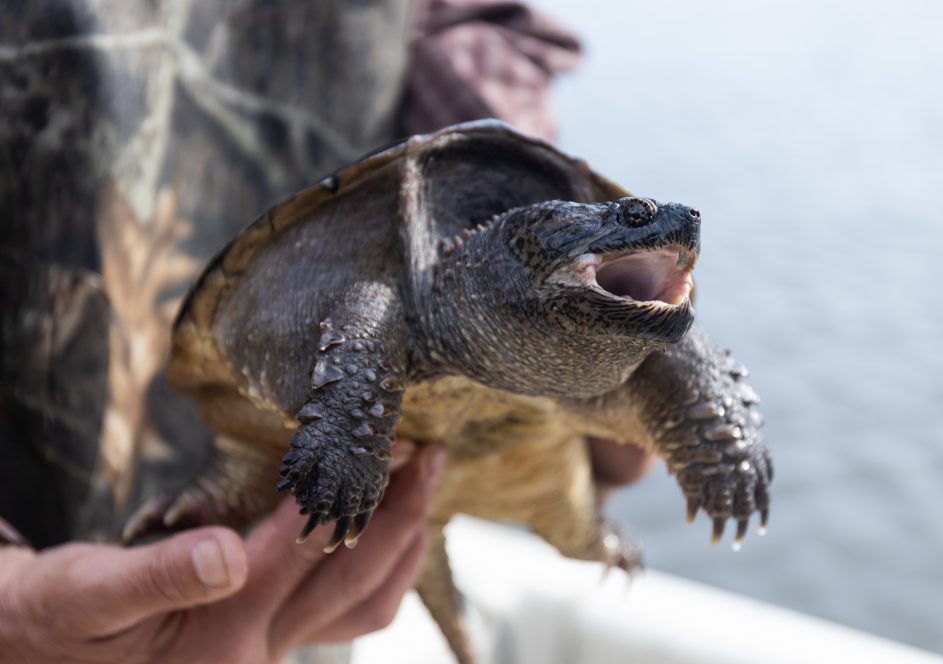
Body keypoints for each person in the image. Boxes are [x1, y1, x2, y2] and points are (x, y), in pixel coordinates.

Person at [0, 1, 652, 661]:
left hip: (321, 577)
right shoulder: (369, 315)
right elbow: (369, 311)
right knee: (363, 334)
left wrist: (498, 201)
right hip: (47, 545)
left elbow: (478, 22)